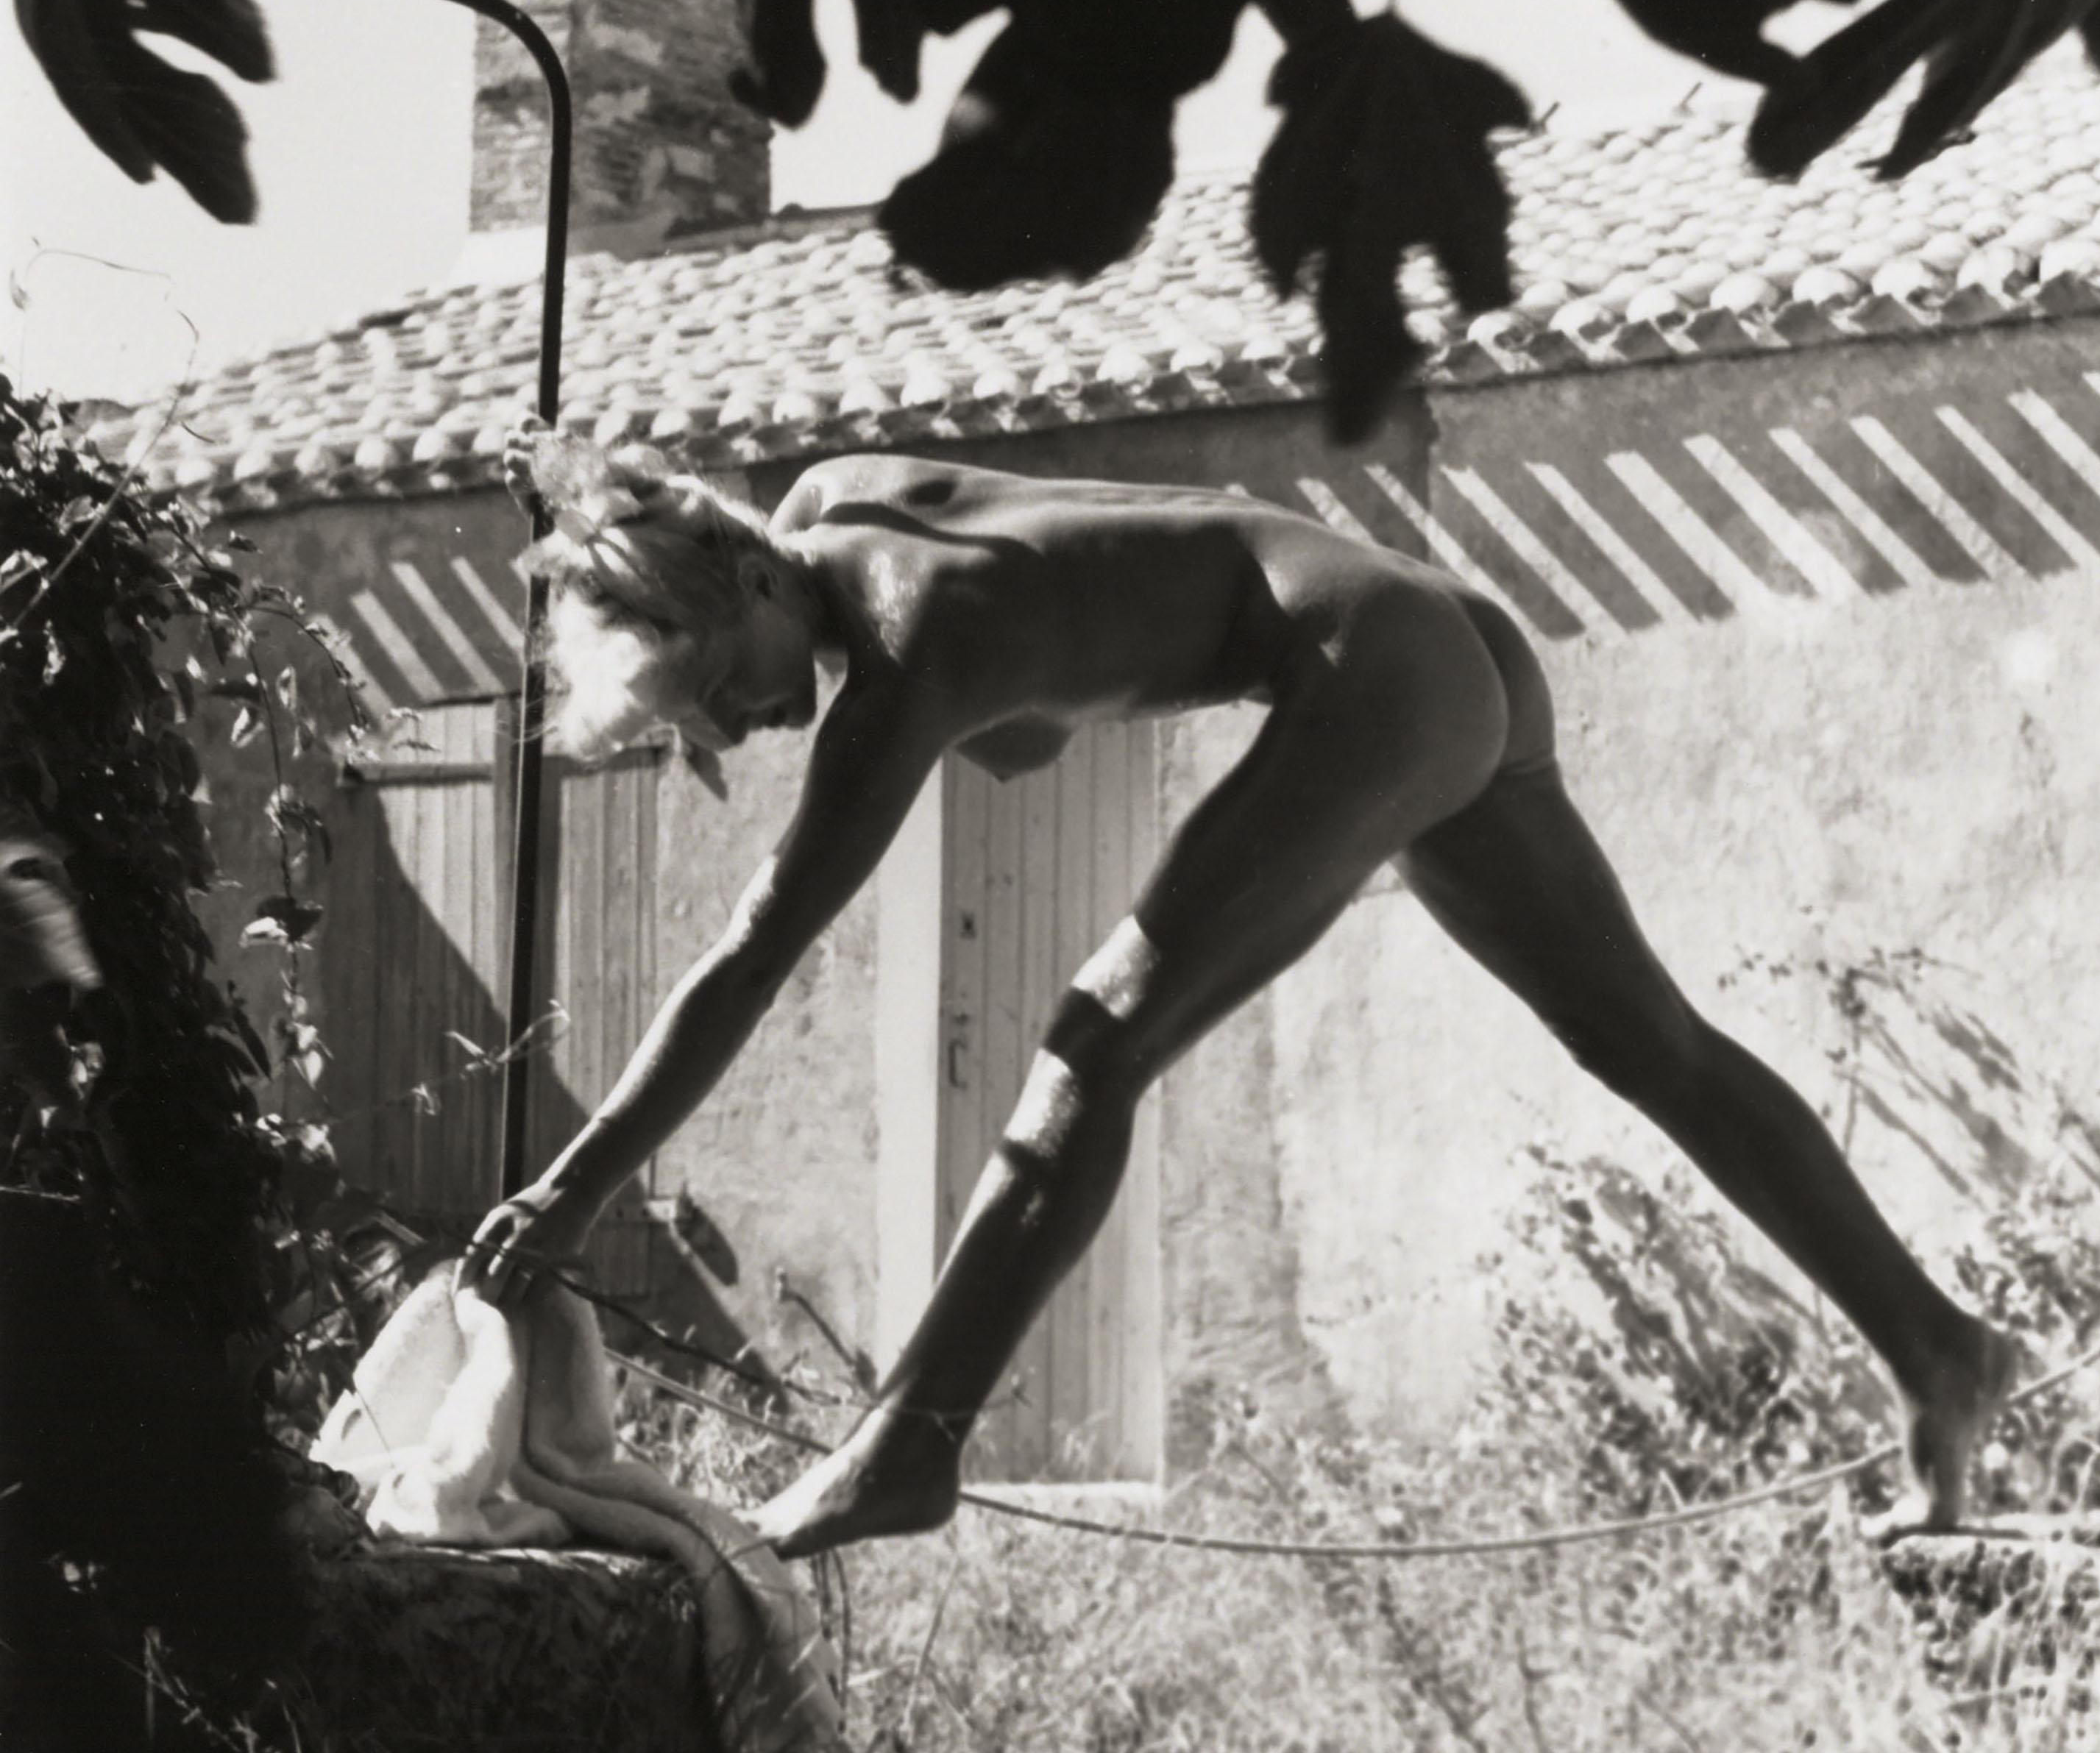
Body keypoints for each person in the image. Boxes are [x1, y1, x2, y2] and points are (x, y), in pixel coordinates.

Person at [461, 433, 2015, 1551]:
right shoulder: (832, 500)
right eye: (695, 725)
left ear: (745, 570)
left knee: (1087, 1049)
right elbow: (1062, 643)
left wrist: (572, 1185)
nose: (733, 726)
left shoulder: (904, 650)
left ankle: (908, 1441)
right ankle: (1939, 1347)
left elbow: (750, 953)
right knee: (1651, 1046)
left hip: (1378, 670)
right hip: (1437, 632)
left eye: (712, 682)